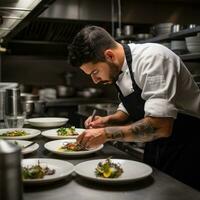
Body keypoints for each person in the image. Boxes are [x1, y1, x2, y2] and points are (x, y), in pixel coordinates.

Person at [68, 26, 200, 190]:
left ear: (109, 55)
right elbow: (132, 104)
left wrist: (106, 134)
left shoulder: (153, 58)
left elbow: (161, 126)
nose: (95, 80)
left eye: (95, 72)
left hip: (190, 142)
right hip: (157, 143)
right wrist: (108, 120)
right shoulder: (120, 68)